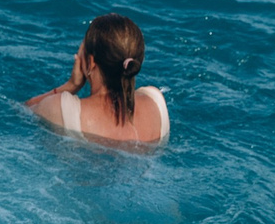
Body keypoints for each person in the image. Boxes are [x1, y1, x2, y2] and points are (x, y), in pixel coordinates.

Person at [27, 14, 169, 145]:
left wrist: (71, 86)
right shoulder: (156, 101)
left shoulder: (62, 109)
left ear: (91, 61)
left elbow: (24, 111)